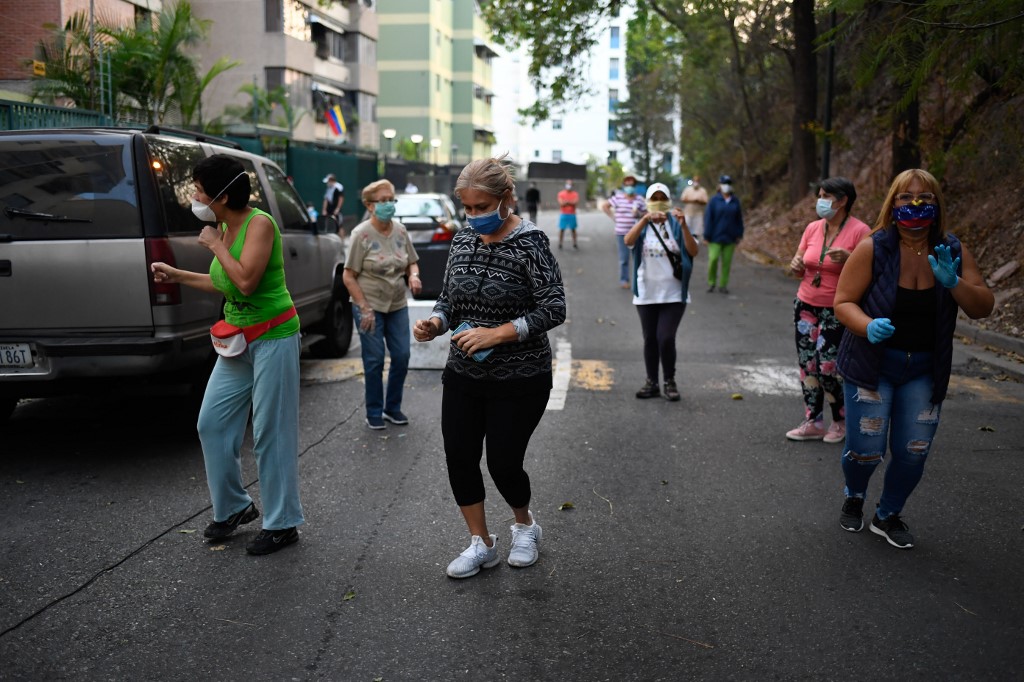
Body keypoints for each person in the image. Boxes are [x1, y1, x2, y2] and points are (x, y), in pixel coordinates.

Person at [412, 156, 566, 579]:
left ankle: (525, 526)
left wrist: (497, 333)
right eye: (468, 208)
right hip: (464, 373)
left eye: (483, 207)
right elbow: (448, 299)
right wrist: (436, 323)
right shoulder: (462, 239)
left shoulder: (531, 243)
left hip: (522, 377)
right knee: (459, 456)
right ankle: (481, 543)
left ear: (507, 198)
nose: (475, 216)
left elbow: (554, 308)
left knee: (502, 461)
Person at [150, 154, 304, 555]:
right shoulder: (222, 226)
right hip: (237, 339)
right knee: (212, 423)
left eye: (200, 188)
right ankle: (234, 507)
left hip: (273, 336)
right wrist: (178, 274)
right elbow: (226, 282)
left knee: (271, 431)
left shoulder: (259, 225)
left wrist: (216, 244)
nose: (195, 195)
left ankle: (283, 522)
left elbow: (247, 282)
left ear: (221, 194)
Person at [833, 169, 994, 549]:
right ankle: (854, 494)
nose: (916, 204)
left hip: (924, 369)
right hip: (872, 367)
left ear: (938, 205)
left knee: (912, 451)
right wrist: (868, 325)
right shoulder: (874, 247)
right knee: (865, 450)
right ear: (893, 203)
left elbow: (983, 308)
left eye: (925, 197)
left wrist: (954, 283)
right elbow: (843, 302)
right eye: (906, 197)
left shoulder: (952, 250)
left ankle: (887, 514)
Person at [786, 177, 872, 444]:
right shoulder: (813, 228)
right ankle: (813, 420)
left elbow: (873, 272)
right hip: (805, 304)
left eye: (825, 196)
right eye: (819, 196)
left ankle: (840, 421)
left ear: (843, 200)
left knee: (828, 366)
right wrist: (796, 264)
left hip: (837, 308)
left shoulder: (860, 231)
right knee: (807, 365)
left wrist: (849, 259)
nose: (820, 201)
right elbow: (798, 267)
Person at [343, 180, 422, 430]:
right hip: (369, 304)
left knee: (402, 355)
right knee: (375, 359)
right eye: (383, 200)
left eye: (392, 199)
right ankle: (374, 410)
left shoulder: (400, 230)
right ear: (369, 205)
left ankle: (392, 408)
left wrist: (414, 275)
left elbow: (412, 260)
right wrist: (364, 308)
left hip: (397, 302)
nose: (389, 204)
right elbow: (348, 275)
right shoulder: (360, 235)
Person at [623, 182, 698, 401]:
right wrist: (645, 219)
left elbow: (693, 251)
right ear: (647, 201)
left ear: (668, 200)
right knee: (650, 339)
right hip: (646, 292)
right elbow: (628, 241)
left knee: (665, 337)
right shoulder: (643, 224)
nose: (658, 202)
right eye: (653, 198)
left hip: (674, 293)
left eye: (661, 197)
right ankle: (652, 382)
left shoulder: (677, 223)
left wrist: (684, 226)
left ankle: (669, 380)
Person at [603, 174, 646, 289]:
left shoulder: (640, 199)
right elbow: (605, 206)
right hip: (621, 232)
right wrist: (613, 217)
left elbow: (647, 213)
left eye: (631, 184)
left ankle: (639, 280)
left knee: (638, 257)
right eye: (627, 184)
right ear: (624, 185)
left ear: (635, 185)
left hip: (637, 233)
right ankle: (624, 280)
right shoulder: (618, 197)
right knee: (624, 259)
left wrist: (639, 214)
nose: (629, 186)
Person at [704, 174, 744, 294]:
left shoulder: (735, 201)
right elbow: (708, 218)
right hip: (715, 236)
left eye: (728, 184)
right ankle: (711, 282)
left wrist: (739, 234)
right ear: (720, 186)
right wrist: (707, 235)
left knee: (727, 262)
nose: (726, 186)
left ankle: (723, 284)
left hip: (730, 237)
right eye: (724, 184)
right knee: (713, 259)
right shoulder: (714, 200)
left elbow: (739, 219)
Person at [680, 176, 708, 242]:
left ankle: (695, 243)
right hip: (688, 213)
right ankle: (686, 241)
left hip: (698, 214)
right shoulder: (687, 189)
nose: (696, 183)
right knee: (686, 228)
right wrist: (692, 200)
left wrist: (698, 201)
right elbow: (683, 199)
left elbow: (705, 201)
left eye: (697, 181)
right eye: (695, 181)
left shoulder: (702, 191)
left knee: (697, 231)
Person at [557, 179, 580, 250]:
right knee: (562, 229)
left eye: (570, 184)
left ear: (572, 185)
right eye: (568, 184)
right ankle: (560, 243)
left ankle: (575, 243)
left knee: (573, 229)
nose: (569, 185)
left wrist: (566, 202)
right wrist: (570, 202)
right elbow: (561, 203)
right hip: (563, 214)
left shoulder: (575, 194)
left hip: (572, 214)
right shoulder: (561, 193)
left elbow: (575, 203)